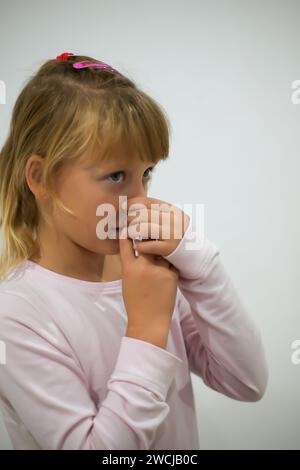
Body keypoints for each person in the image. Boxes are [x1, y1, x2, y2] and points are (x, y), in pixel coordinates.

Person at [0, 52, 268, 450]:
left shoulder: (145, 267)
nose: (140, 199)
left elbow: (246, 382)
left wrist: (203, 268)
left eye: (146, 173)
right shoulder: (16, 315)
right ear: (41, 178)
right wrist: (145, 328)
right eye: (115, 176)